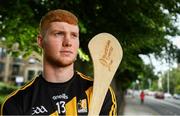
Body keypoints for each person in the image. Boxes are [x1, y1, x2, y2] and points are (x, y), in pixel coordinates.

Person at [1, 9, 117, 115]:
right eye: (59, 34)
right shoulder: (16, 103)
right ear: (41, 41)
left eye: (74, 35)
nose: (68, 42)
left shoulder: (100, 92)